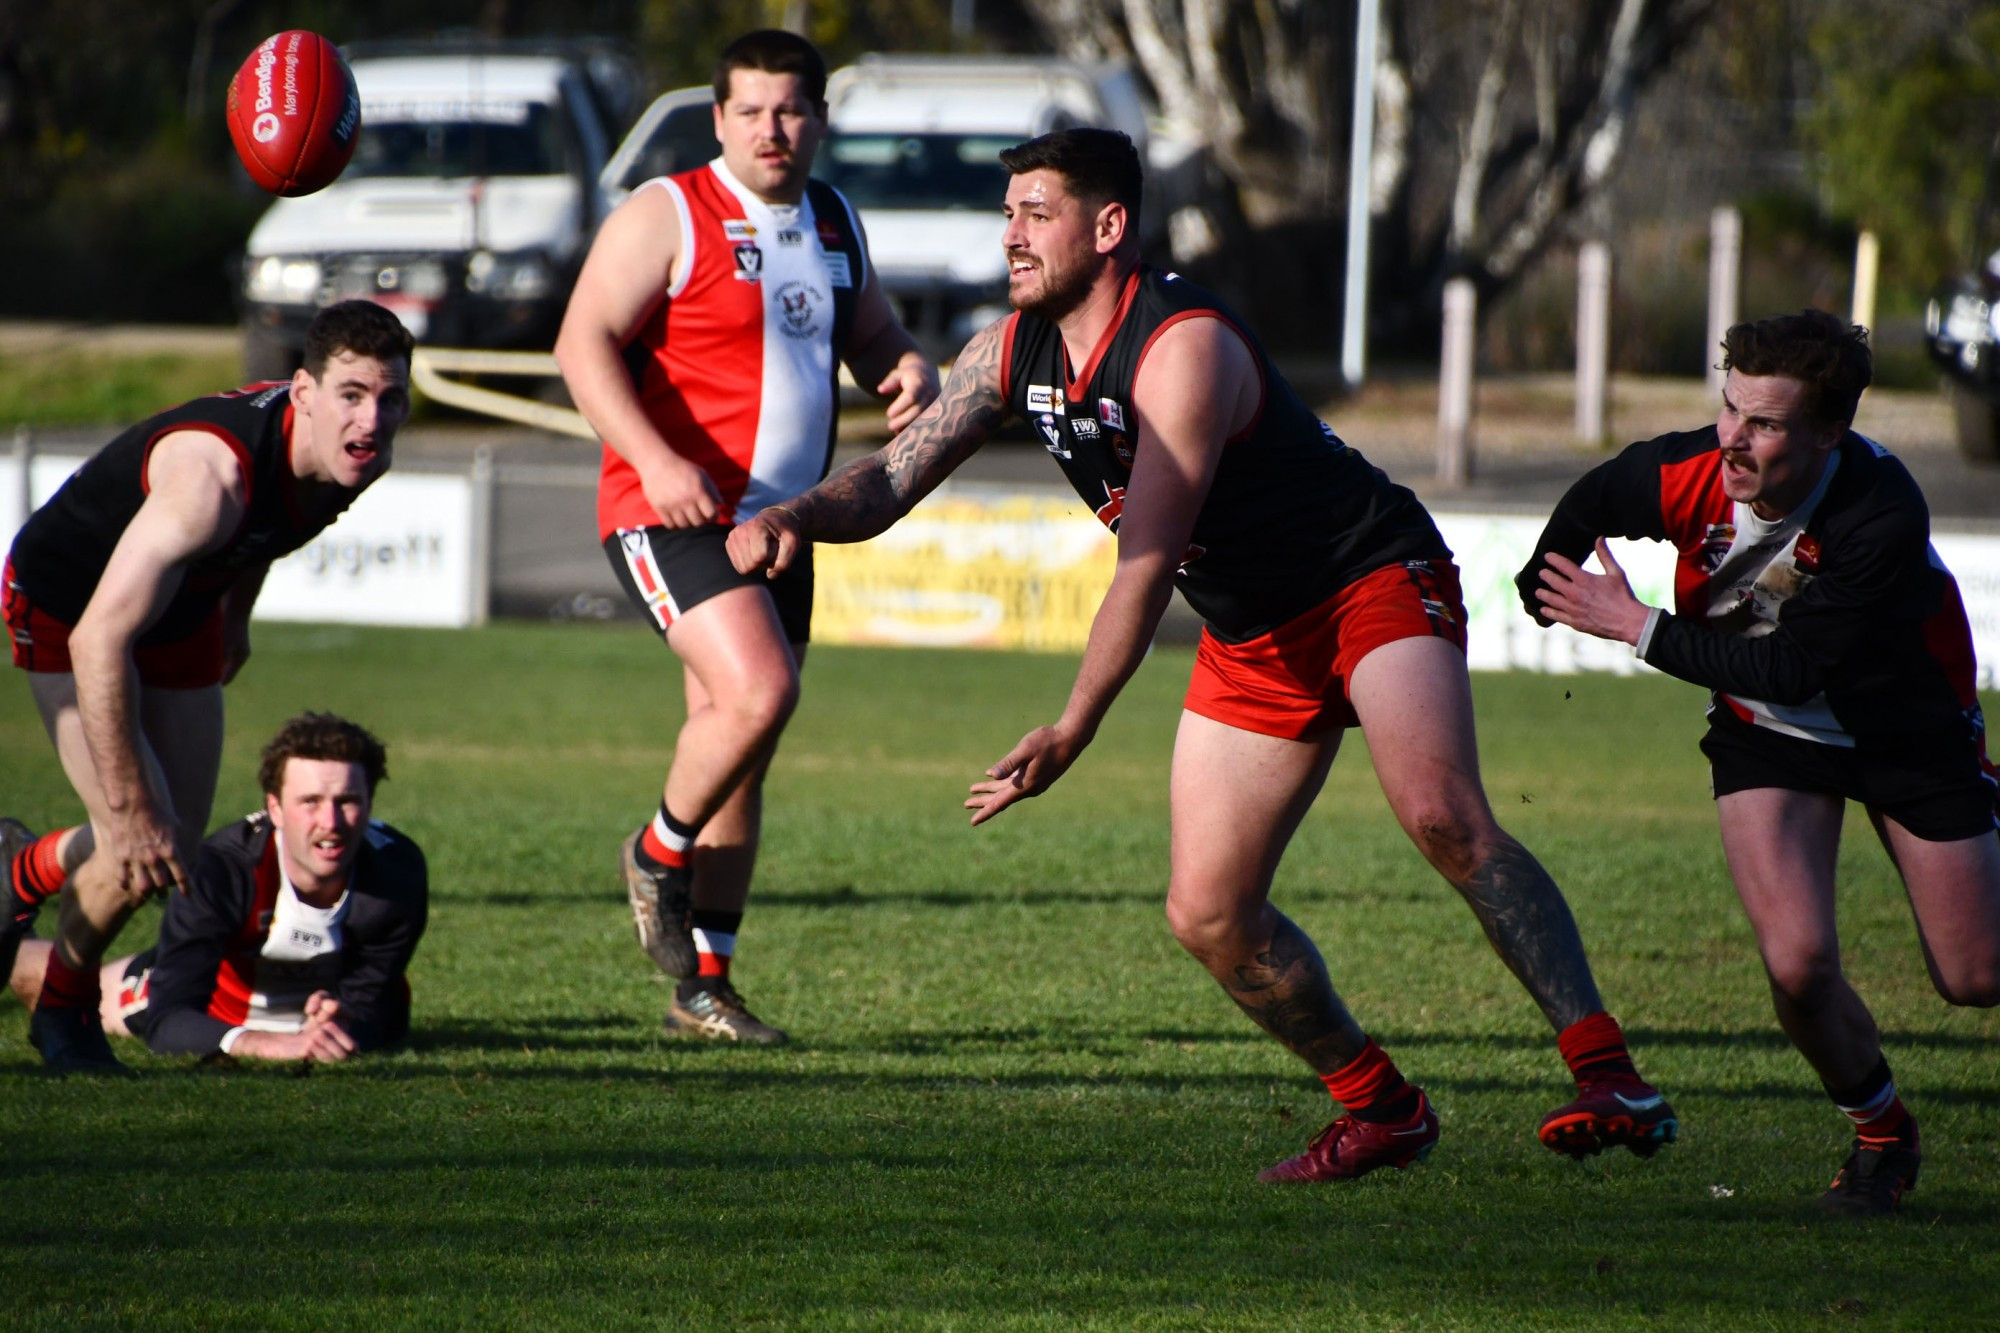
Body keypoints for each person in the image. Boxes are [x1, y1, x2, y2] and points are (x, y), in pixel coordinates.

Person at [728, 127, 1675, 1180]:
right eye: (1007, 215)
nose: (1011, 237)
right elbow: (892, 477)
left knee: (1440, 814)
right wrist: (796, 517)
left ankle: (1608, 1072)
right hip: (1250, 628)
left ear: (1109, 226)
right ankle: (1381, 1109)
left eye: (1035, 214)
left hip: (1363, 576)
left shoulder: (1181, 349)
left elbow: (1143, 566)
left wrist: (1073, 725)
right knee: (1208, 912)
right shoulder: (1006, 351)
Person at [1519, 309, 2000, 1216]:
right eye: (1730, 407)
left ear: (1829, 433)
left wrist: (1633, 625)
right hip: (1766, 730)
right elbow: (1596, 495)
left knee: (1975, 976)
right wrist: (1546, 582)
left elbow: (1792, 666)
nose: (1733, 439)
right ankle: (1883, 1136)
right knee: (1799, 967)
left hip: (1907, 729)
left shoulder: (1880, 513)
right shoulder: (1694, 465)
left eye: (1766, 424)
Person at [555, 29, 937, 1046]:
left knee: (742, 750)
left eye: (792, 109)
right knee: (762, 691)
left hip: (783, 526)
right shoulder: (668, 210)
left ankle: (703, 987)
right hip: (670, 511)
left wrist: (906, 367)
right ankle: (653, 849)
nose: (773, 128)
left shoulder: (832, 217)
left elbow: (872, 337)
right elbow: (579, 340)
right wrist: (656, 458)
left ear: (817, 118)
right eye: (752, 110)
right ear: (718, 118)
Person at [1, 300, 414, 1073]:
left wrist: (236, 613)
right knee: (135, 836)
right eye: (352, 395)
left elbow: (275, 525)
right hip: (69, 605)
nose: (373, 417)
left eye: (390, 397)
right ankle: (62, 1005)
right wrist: (126, 806)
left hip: (186, 604)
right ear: (303, 394)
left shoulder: (355, 456)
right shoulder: (210, 479)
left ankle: (33, 879)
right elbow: (99, 637)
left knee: (174, 847)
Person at [6, 713, 427, 1063]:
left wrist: (344, 1016)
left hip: (297, 1006)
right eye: (310, 801)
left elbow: (374, 991)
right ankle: (13, 898)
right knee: (35, 975)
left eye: (347, 801)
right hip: (212, 1003)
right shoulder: (226, 869)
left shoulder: (397, 873)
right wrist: (260, 1042)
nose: (331, 823)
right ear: (275, 808)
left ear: (370, 802)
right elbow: (167, 1020)